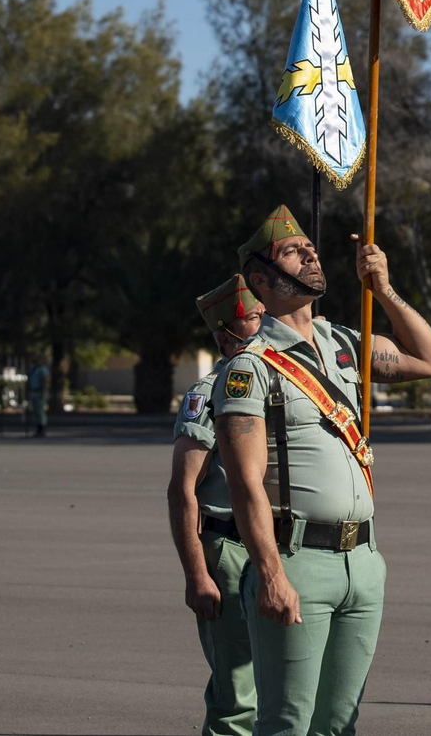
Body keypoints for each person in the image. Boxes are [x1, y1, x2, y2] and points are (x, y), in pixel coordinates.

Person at [214, 205, 431, 736]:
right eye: (295, 252)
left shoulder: (345, 343)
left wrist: (384, 289)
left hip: (362, 561)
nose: (312, 254)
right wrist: (271, 575)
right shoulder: (250, 368)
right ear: (260, 280)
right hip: (297, 560)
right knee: (287, 723)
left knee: (340, 723)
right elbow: (246, 484)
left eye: (311, 249)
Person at [169, 274, 266, 736]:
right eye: (254, 319)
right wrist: (196, 575)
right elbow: (182, 489)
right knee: (236, 693)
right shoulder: (206, 395)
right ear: (228, 332)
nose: (265, 324)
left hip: (274, 546)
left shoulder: (270, 383)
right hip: (227, 551)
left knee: (280, 684)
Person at [27, 356, 50, 437]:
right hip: (33, 391)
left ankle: (42, 428)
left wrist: (43, 392)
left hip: (39, 391)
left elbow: (45, 380)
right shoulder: (32, 369)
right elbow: (29, 380)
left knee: (40, 411)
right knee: (35, 411)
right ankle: (37, 428)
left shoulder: (42, 369)